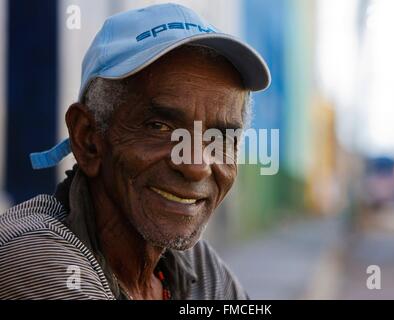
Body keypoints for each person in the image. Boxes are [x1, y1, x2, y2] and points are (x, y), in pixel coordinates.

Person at [0, 3, 270, 300]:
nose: (196, 165)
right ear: (88, 139)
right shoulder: (34, 256)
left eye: (219, 137)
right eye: (160, 126)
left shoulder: (193, 264)